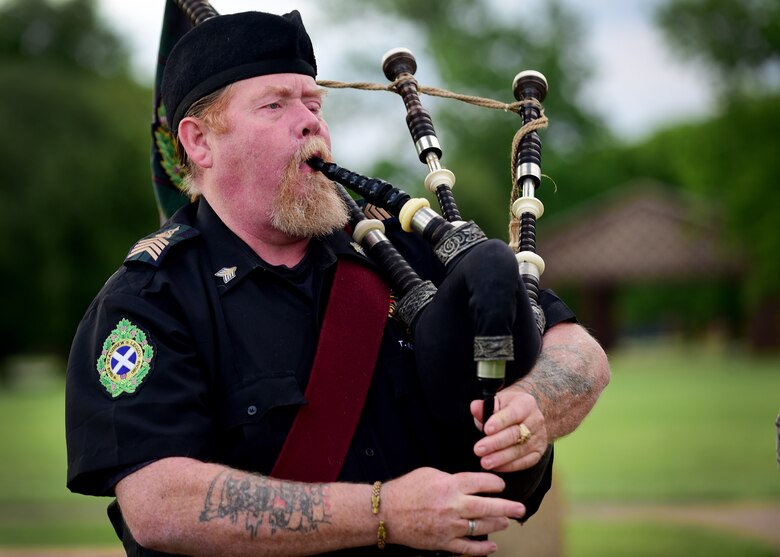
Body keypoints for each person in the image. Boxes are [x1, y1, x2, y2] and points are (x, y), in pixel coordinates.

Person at [65, 9, 609, 557]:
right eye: (275, 105)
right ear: (199, 142)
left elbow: (578, 349)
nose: (309, 122)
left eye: (313, 103)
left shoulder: (399, 242)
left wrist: (533, 404)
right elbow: (158, 503)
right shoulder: (148, 302)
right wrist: (385, 513)